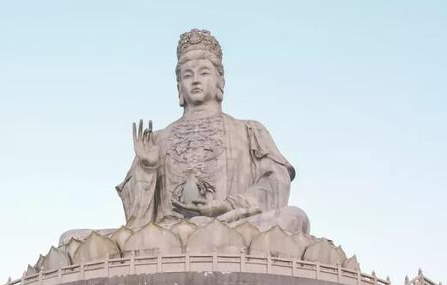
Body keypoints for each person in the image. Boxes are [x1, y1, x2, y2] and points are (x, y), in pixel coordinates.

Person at [116, 29, 309, 234]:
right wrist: (147, 168)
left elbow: (275, 185)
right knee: (78, 237)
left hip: (231, 226)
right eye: (187, 75)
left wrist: (224, 206)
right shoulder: (157, 139)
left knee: (294, 218)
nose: (195, 80)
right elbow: (135, 221)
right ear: (179, 86)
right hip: (168, 231)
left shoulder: (249, 130)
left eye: (204, 72)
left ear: (220, 81)